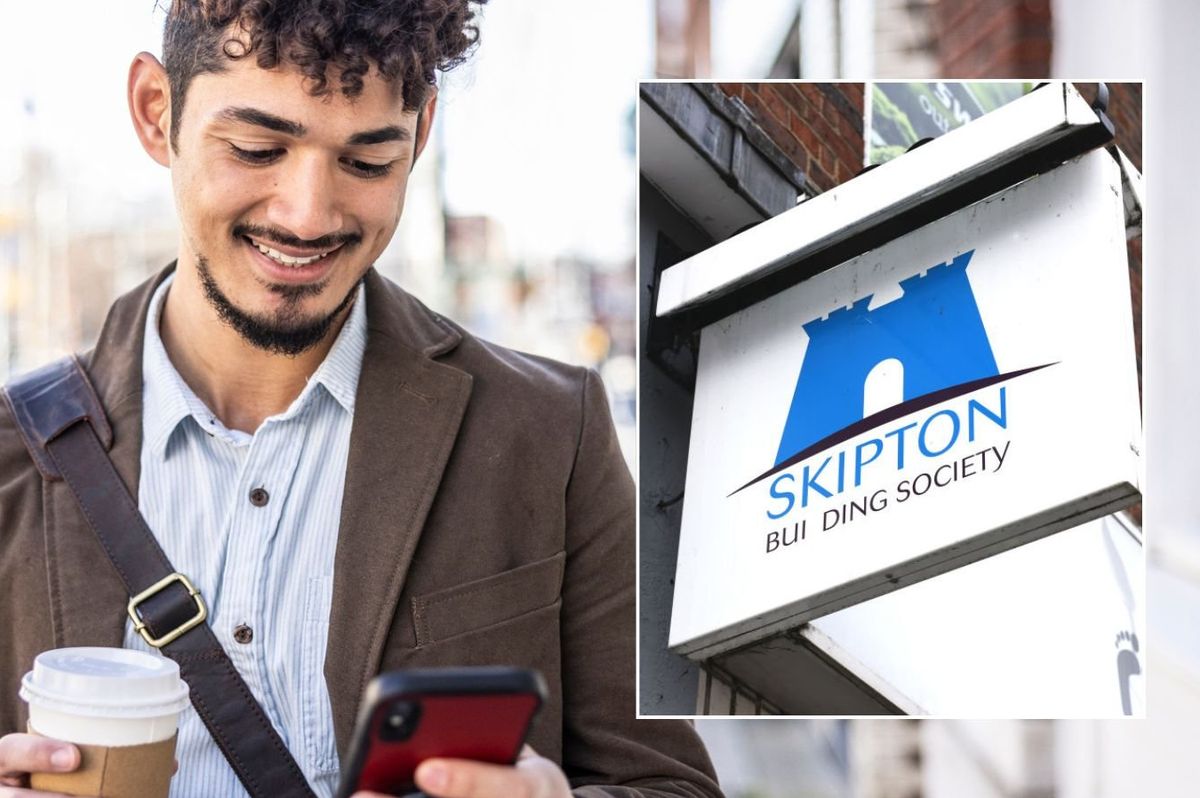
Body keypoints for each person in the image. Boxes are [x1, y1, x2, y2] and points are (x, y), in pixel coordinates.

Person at [0, 2, 721, 797]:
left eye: (368, 161)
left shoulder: (551, 435)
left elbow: (673, 786)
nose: (308, 215)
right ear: (154, 110)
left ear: (422, 134)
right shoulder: (12, 455)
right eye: (257, 148)